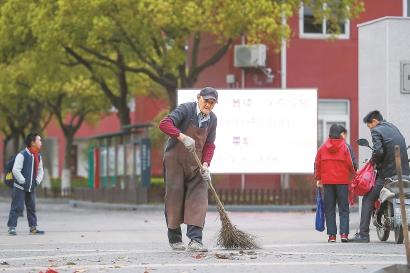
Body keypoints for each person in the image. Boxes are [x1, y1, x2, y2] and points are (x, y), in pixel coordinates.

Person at [158, 87, 218, 252]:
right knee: (174, 196)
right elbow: (164, 124)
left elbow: (209, 145)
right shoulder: (186, 109)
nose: (208, 105)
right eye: (206, 100)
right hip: (175, 161)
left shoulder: (212, 119)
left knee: (199, 198)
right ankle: (175, 238)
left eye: (212, 102)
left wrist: (206, 165)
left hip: (196, 163)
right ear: (199, 98)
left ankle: (195, 240)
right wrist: (182, 137)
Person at [351, 110, 410, 242]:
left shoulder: (377, 130)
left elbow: (378, 150)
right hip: (405, 174)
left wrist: (372, 162)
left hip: (388, 175)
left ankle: (363, 234)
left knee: (367, 199)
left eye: (369, 125)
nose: (370, 128)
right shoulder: (393, 127)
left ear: (374, 121)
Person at [315, 124, 357, 243]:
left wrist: (318, 178)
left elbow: (317, 164)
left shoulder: (322, 148)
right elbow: (351, 164)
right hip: (342, 182)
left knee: (329, 209)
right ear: (341, 134)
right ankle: (344, 234)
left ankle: (332, 236)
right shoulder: (345, 147)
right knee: (344, 208)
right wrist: (354, 173)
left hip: (327, 183)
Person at [7, 133, 45, 235]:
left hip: (31, 187)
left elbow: (41, 171)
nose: (41, 142)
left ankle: (33, 228)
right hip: (19, 186)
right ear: (32, 142)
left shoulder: (38, 156)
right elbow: (16, 170)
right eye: (39, 140)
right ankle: (12, 227)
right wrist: (23, 181)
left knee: (31, 207)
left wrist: (36, 181)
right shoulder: (22, 155)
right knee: (17, 207)